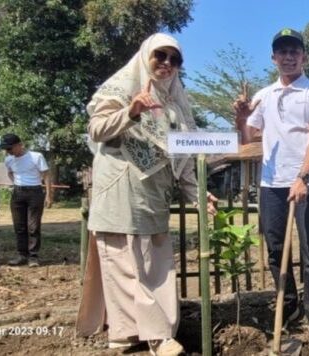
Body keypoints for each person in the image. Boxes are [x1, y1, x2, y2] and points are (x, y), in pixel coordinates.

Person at [75, 33, 217, 356]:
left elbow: (184, 161)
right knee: (123, 263)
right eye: (160, 56)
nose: (166, 64)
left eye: (174, 59)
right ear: (146, 56)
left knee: (154, 265)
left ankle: (143, 334)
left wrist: (199, 196)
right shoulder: (123, 85)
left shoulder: (177, 104)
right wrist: (132, 110)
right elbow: (96, 129)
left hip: (154, 195)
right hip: (120, 188)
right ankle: (143, 335)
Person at [233, 28, 309, 344]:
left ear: (303, 57)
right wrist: (241, 117)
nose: (288, 57)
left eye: (294, 51)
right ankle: (289, 308)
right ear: (274, 57)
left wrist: (302, 177)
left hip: (308, 183)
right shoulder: (264, 96)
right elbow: (246, 139)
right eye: (282, 52)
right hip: (271, 184)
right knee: (276, 250)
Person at [0, 133, 49, 267]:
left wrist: (49, 195)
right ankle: (22, 255)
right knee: (19, 227)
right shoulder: (9, 160)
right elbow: (10, 172)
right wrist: (16, 183)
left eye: (10, 148)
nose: (8, 152)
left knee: (33, 226)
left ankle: (33, 257)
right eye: (6, 149)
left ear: (19, 145)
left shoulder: (36, 156)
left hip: (35, 192)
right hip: (17, 193)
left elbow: (46, 175)